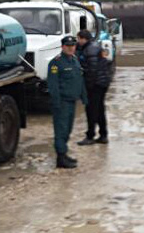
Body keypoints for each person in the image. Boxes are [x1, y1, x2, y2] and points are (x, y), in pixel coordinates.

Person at [47, 36, 88, 169]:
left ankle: (63, 154)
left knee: (68, 129)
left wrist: (84, 97)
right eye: (68, 46)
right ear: (62, 47)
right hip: (62, 102)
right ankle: (61, 157)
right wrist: (56, 103)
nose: (71, 48)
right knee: (61, 130)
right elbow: (53, 85)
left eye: (73, 46)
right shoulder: (56, 63)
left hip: (72, 101)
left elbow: (79, 80)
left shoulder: (74, 60)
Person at [76, 30, 112, 146]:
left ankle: (90, 136)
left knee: (91, 110)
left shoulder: (90, 49)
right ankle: (103, 135)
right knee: (99, 109)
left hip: (96, 84)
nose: (77, 41)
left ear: (83, 38)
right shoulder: (94, 46)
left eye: (78, 39)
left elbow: (92, 70)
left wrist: (88, 87)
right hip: (102, 82)